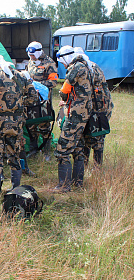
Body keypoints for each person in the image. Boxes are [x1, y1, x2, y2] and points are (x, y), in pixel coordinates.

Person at [0, 54, 38, 200]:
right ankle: (15, 190)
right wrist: (18, 105)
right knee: (15, 154)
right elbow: (34, 97)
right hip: (17, 122)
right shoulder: (20, 76)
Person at [53, 46, 93, 192]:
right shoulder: (87, 66)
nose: (63, 65)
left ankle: (63, 186)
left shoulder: (75, 68)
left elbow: (64, 91)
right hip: (85, 114)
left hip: (75, 115)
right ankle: (78, 182)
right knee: (78, 148)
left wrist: (64, 97)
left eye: (62, 61)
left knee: (62, 149)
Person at [74, 47, 114, 166]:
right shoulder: (92, 66)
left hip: (98, 108)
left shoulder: (86, 68)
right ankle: (88, 165)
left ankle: (95, 166)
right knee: (90, 136)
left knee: (95, 136)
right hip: (97, 107)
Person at [26, 41, 58, 160]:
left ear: (39, 52)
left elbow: (54, 82)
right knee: (31, 125)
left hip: (43, 101)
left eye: (33, 55)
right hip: (31, 100)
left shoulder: (49, 63)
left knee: (44, 125)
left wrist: (37, 84)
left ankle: (46, 153)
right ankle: (33, 150)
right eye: (30, 55)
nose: (32, 57)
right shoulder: (30, 62)